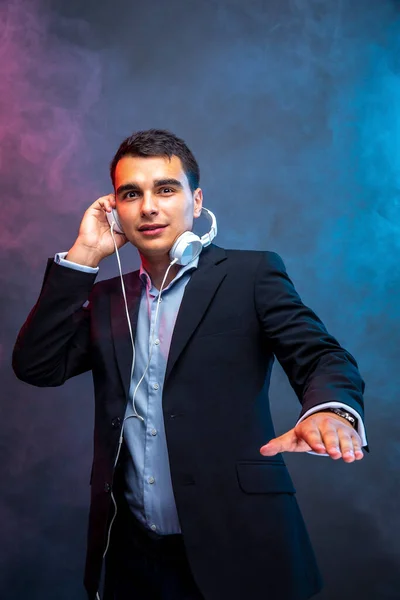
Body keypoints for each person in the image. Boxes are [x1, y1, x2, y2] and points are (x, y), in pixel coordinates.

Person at [12, 129, 368, 600]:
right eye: (131, 194)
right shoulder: (106, 298)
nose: (149, 207)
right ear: (115, 209)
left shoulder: (251, 275)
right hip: (133, 557)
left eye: (166, 189)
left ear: (196, 201)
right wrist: (84, 257)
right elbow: (37, 365)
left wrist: (330, 409)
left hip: (241, 548)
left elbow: (321, 354)